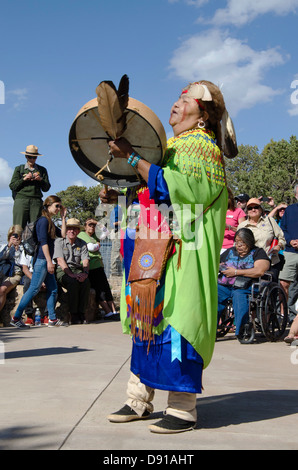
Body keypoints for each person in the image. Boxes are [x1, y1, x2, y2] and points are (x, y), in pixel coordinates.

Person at [100, 80, 236, 433]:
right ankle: (138, 400)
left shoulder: (202, 147)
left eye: (185, 100)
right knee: (147, 320)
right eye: (175, 98)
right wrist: (122, 192)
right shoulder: (171, 148)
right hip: (152, 249)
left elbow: (183, 192)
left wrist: (133, 157)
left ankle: (182, 408)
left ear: (203, 114)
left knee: (179, 320)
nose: (175, 104)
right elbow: (153, 195)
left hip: (182, 253)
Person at [10, 195, 66, 328]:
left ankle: (52, 318)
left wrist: (63, 218)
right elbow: (43, 242)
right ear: (48, 205)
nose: (58, 208)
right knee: (34, 288)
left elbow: (63, 234)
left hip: (45, 260)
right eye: (56, 206)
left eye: (60, 206)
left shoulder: (50, 222)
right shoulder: (43, 221)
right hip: (42, 260)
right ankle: (16, 317)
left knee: (53, 289)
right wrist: (49, 261)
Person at [218, 228, 270, 338]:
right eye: (237, 241)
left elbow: (259, 271)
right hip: (225, 285)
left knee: (238, 296)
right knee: (213, 294)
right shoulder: (230, 251)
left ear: (249, 242)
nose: (239, 245)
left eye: (242, 242)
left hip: (245, 286)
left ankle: (242, 329)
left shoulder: (258, 252)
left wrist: (236, 272)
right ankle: (211, 328)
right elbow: (216, 263)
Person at [78, 218, 119, 321]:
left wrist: (98, 223)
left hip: (99, 266)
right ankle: (107, 311)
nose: (92, 227)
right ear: (85, 227)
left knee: (106, 288)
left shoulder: (94, 236)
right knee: (99, 290)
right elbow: (91, 247)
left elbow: (107, 232)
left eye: (93, 226)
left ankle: (114, 311)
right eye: (89, 225)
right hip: (90, 267)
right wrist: (98, 244)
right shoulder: (82, 235)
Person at [238, 198, 286, 282]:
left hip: (270, 262)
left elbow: (282, 237)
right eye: (250, 208)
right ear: (247, 211)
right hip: (249, 264)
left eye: (256, 207)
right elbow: (237, 244)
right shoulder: (242, 226)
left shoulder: (270, 221)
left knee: (270, 291)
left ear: (261, 209)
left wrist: (279, 246)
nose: (253, 210)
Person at [54, 218, 90, 325]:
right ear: (65, 230)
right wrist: (71, 275)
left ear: (78, 231)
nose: (72, 231)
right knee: (73, 283)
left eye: (75, 229)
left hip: (77, 270)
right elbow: (60, 260)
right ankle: (73, 314)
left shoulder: (82, 243)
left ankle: (82, 313)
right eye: (69, 228)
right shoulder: (59, 242)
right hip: (63, 270)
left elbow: (86, 260)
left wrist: (85, 273)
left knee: (86, 283)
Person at [9, 145, 51, 229]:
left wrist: (40, 180)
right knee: (18, 227)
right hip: (21, 200)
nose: (32, 159)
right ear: (26, 156)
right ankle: (17, 242)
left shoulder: (42, 170)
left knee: (36, 228)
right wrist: (24, 179)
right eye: (30, 157)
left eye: (34, 157)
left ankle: (35, 242)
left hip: (36, 201)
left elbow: (46, 188)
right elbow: (12, 186)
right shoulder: (19, 169)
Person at [0, 225, 24, 324]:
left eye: (17, 236)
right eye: (12, 236)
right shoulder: (4, 247)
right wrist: (9, 246)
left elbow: (21, 263)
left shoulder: (24, 248)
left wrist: (18, 249)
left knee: (2, 290)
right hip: (3, 273)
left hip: (15, 275)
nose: (15, 238)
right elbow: (1, 258)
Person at [279, 184, 298, 301]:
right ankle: (285, 316)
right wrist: (290, 241)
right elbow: (283, 229)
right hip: (290, 252)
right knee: (283, 284)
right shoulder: (290, 210)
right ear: (296, 195)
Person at [221, 187, 246, 253]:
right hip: (216, 246)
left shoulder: (238, 211)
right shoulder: (217, 212)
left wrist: (229, 227)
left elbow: (243, 231)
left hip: (230, 247)